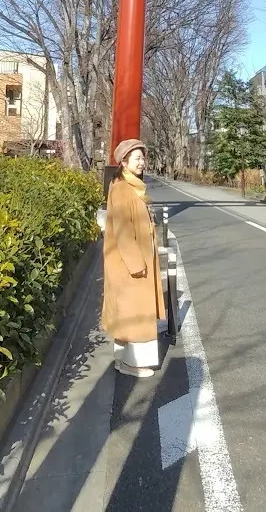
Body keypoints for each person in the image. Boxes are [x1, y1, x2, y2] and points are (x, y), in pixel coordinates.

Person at [101, 139, 166, 378]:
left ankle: (122, 359)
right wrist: (137, 264)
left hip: (130, 262)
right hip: (130, 264)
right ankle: (132, 363)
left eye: (143, 157)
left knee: (126, 312)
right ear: (124, 162)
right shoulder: (122, 188)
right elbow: (123, 230)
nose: (142, 162)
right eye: (137, 158)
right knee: (136, 312)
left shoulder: (130, 186)